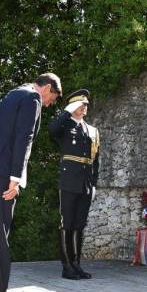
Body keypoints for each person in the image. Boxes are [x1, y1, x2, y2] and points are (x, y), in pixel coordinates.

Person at [0, 73, 62, 292]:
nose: (50, 103)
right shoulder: (32, 98)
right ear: (47, 88)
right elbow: (24, 138)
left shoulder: (13, 93)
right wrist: (15, 178)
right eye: (52, 97)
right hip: (2, 172)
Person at [48, 89, 101, 280]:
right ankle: (66, 266)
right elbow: (52, 129)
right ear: (72, 106)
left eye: (86, 104)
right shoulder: (64, 125)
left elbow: (95, 161)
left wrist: (93, 184)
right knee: (67, 223)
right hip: (69, 180)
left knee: (79, 224)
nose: (84, 107)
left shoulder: (93, 131)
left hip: (86, 182)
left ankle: (77, 263)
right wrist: (67, 112)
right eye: (80, 104)